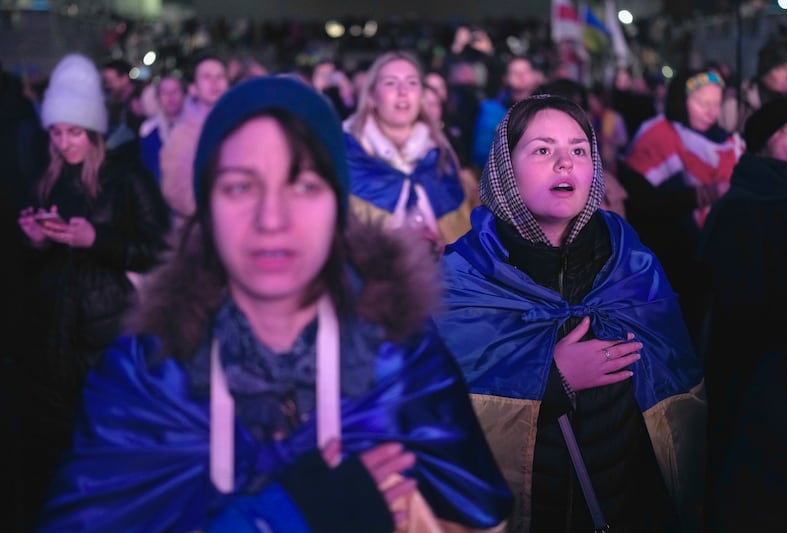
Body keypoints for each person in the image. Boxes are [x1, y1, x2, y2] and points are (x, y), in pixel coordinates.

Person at [38, 76, 512, 532]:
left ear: (339, 206)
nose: (271, 218)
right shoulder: (146, 373)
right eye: (241, 187)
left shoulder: (404, 361)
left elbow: (477, 517)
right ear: (206, 211)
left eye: (303, 185)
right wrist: (280, 517)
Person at [433, 94, 705, 532]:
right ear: (505, 168)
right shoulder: (461, 276)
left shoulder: (631, 263)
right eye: (543, 150)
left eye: (579, 150)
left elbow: (682, 410)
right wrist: (551, 380)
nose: (565, 164)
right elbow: (433, 417)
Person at [16, 53, 170, 526]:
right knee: (50, 456)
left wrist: (96, 239)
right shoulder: (49, 178)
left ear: (94, 130)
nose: (64, 143)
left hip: (106, 339)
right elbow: (32, 268)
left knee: (101, 452)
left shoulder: (127, 178)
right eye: (56, 132)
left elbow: (159, 248)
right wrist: (35, 243)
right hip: (51, 342)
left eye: (74, 132)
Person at [699, 97, 787, 531]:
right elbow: (741, 301)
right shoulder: (744, 206)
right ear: (762, 144)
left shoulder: (786, 196)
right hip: (757, 374)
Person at [618, 70, 744, 351]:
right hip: (668, 260)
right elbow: (641, 202)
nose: (710, 112)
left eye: (716, 104)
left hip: (712, 258)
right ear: (680, 100)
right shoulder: (658, 134)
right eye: (702, 103)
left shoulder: (728, 142)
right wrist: (703, 195)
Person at [344, 51, 471, 253]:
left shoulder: (441, 154)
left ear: (421, 96)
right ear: (371, 96)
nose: (403, 91)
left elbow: (461, 233)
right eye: (391, 83)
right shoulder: (346, 155)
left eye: (412, 83)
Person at [160, 51, 229, 228]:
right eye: (206, 77)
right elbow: (176, 191)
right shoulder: (182, 135)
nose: (215, 83)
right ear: (193, 88)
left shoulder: (238, 127)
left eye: (220, 76)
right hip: (199, 233)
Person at [139, 74, 185, 183]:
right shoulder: (148, 131)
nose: (170, 97)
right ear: (158, 98)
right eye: (164, 93)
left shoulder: (195, 126)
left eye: (175, 91)